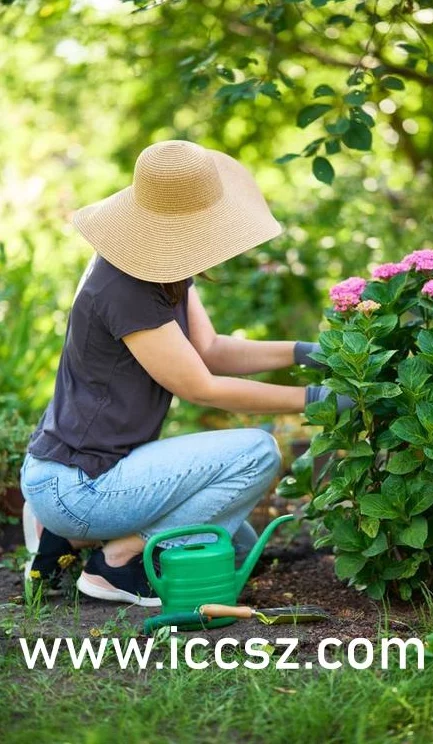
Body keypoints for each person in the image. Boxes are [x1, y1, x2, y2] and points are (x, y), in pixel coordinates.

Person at [20, 140, 343, 606]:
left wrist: (299, 352)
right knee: (255, 454)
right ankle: (118, 563)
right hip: (80, 482)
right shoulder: (126, 285)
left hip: (88, 469)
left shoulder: (158, 263)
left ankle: (62, 539)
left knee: (238, 544)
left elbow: (208, 351)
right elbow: (199, 385)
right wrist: (315, 400)